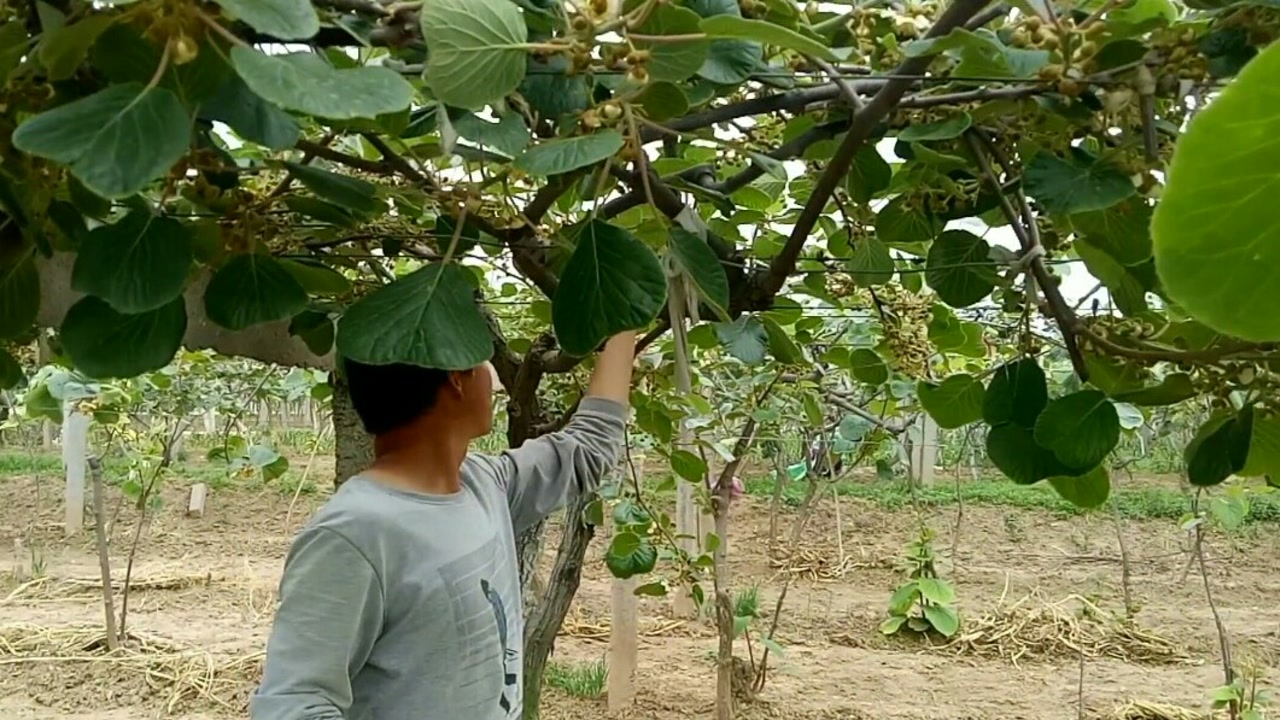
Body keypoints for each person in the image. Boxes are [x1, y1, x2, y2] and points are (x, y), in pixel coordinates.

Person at [249, 331, 637, 720]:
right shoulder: (355, 535)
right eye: (484, 362)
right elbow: (292, 706)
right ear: (457, 376)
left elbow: (589, 445)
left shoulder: (485, 485)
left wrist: (624, 323)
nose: (495, 379)